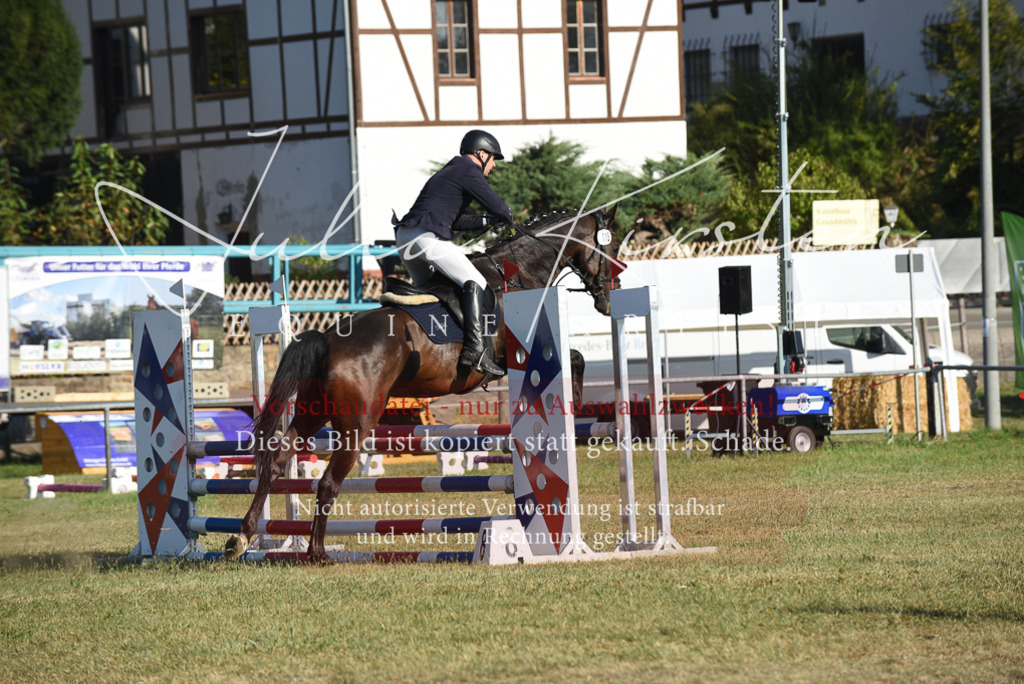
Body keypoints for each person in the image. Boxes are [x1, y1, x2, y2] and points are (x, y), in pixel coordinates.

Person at [392, 130, 514, 377]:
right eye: (492, 160)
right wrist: (505, 214)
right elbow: (496, 204)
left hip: (405, 240)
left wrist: (488, 220)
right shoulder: (469, 169)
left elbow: (456, 221)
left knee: (435, 291)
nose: (491, 166)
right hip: (425, 239)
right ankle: (475, 349)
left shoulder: (451, 171)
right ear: (481, 153)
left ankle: (437, 346)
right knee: (475, 282)